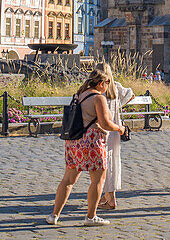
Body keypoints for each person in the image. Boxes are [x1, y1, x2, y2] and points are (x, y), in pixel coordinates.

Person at [49, 65, 127, 226]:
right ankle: (91, 217)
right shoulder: (98, 98)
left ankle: (54, 215)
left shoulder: (79, 95)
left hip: (73, 141)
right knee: (98, 179)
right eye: (107, 84)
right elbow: (105, 123)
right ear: (101, 83)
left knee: (68, 180)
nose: (107, 88)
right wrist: (119, 128)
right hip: (92, 142)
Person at [98, 62, 132, 211]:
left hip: (103, 129)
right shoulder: (115, 86)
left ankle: (110, 199)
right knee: (113, 162)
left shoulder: (99, 88)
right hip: (116, 130)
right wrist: (118, 106)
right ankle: (107, 196)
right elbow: (131, 94)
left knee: (104, 165)